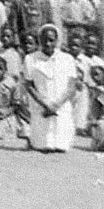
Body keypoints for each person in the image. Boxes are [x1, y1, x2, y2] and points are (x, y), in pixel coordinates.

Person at [23, 24, 80, 153]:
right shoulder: (30, 59)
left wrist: (56, 105)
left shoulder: (67, 59)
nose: (48, 44)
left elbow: (71, 86)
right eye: (44, 40)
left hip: (61, 107)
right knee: (42, 145)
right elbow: (29, 86)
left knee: (61, 146)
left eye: (51, 40)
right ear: (39, 40)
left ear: (57, 40)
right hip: (41, 108)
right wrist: (45, 105)